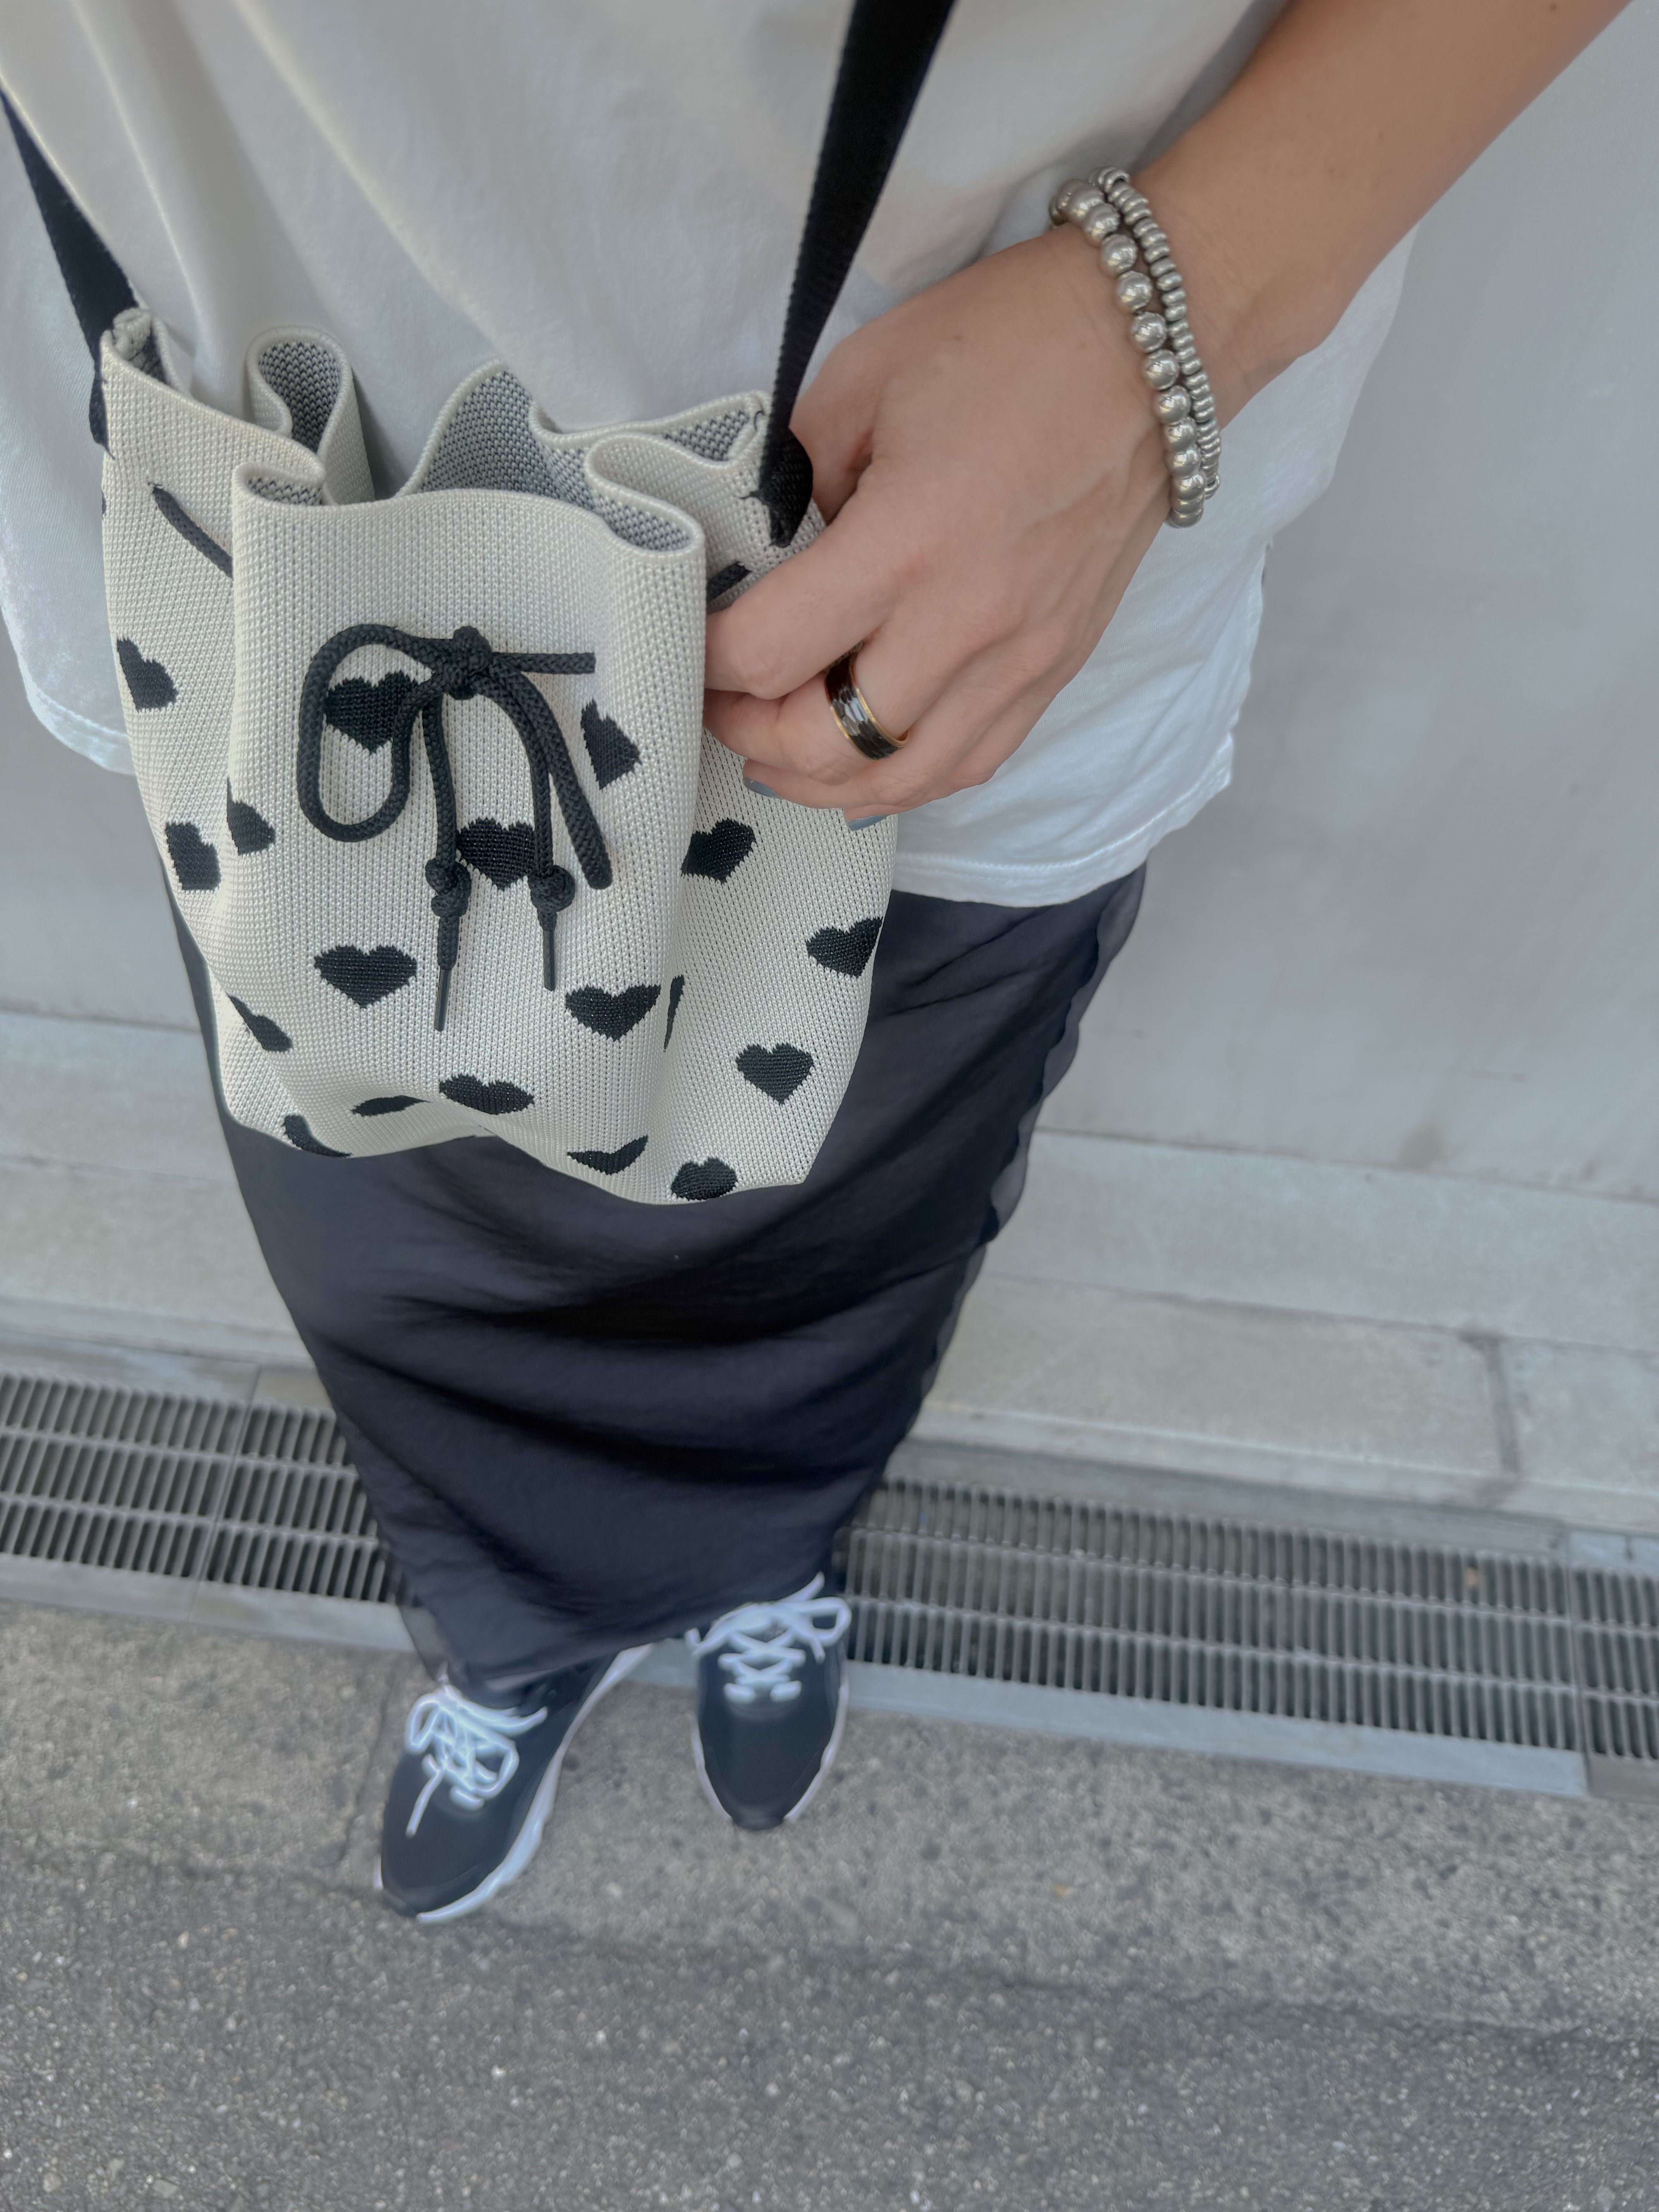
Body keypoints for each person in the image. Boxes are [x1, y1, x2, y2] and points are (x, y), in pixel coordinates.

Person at [0, 0, 1624, 1924]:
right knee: (391, 1243)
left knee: (842, 1239)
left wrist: (1165, 312)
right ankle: (510, 1626)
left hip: (926, 595)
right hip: (262, 562)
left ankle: (761, 1557)